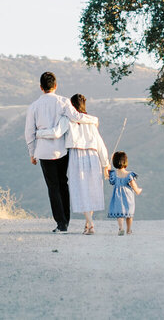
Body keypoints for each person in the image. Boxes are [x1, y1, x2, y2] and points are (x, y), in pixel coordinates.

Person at [23, 71, 72, 233]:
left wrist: (32, 152)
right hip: (62, 149)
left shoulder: (34, 106)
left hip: (43, 151)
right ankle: (67, 218)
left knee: (53, 187)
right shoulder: (64, 102)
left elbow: (29, 132)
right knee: (63, 184)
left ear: (40, 87)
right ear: (56, 86)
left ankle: (61, 223)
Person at [62, 94, 108, 235]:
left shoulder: (68, 120)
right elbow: (99, 143)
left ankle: (91, 224)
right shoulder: (92, 122)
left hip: (77, 155)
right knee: (91, 190)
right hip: (93, 156)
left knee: (81, 191)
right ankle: (87, 224)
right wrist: (105, 163)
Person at [108, 150, 142, 236]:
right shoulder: (129, 174)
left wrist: (107, 169)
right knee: (129, 213)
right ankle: (129, 229)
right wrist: (138, 190)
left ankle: (121, 228)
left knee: (120, 213)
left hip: (117, 196)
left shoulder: (113, 174)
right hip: (128, 196)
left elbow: (111, 182)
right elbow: (133, 185)